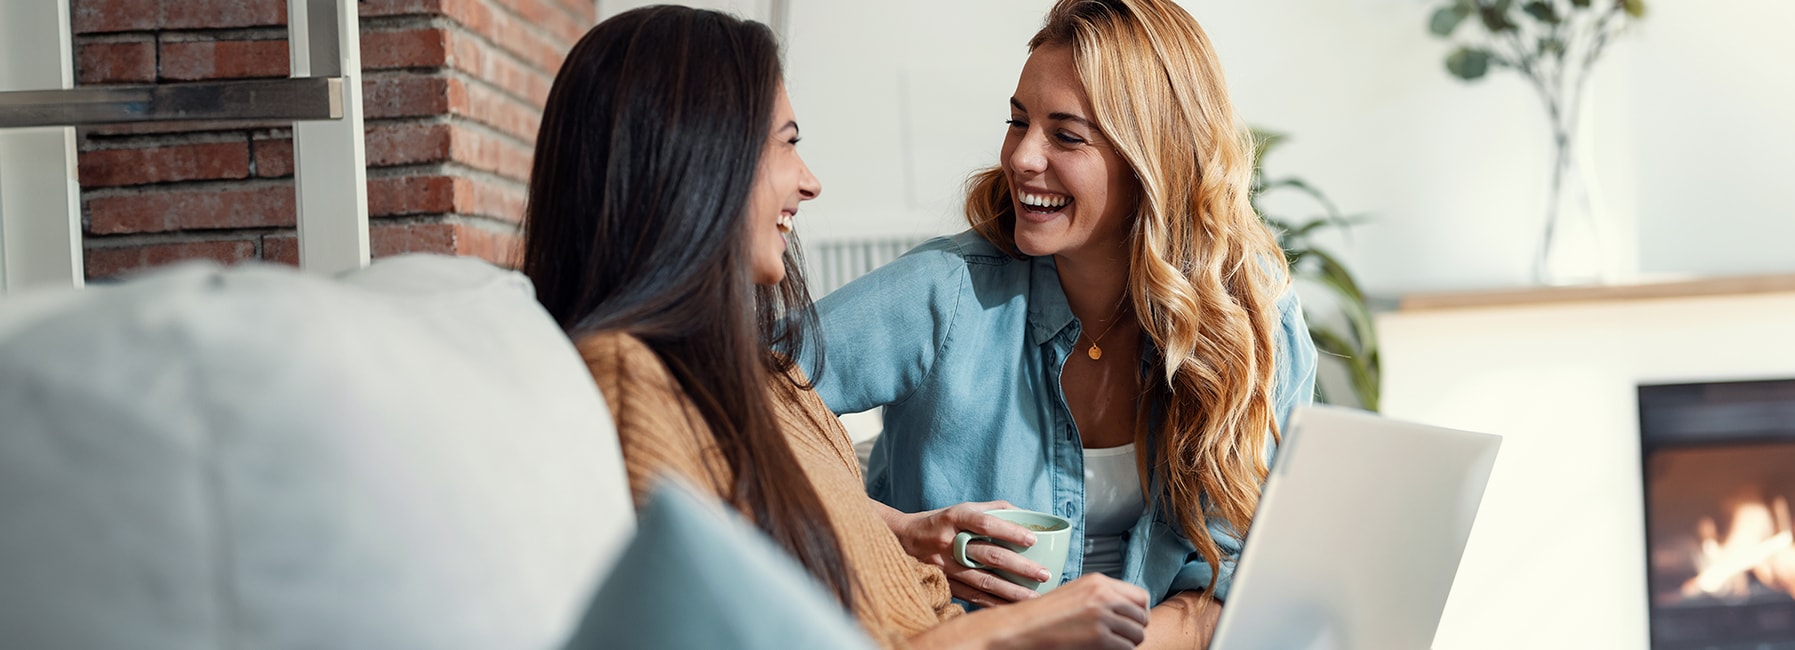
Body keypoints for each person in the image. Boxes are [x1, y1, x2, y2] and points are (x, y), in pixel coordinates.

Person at [519, 6, 1152, 649]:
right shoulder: (638, 383)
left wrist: (906, 534)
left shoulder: (744, 381)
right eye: (788, 142)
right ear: (696, 160)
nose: (811, 181)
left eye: (1065, 135)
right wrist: (1016, 630)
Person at [804, 0, 1318, 646]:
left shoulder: (1253, 323)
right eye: (1018, 122)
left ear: (1153, 160)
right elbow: (722, 397)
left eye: (1065, 135)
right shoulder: (948, 292)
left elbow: (1235, 577)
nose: (1021, 157)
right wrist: (895, 531)